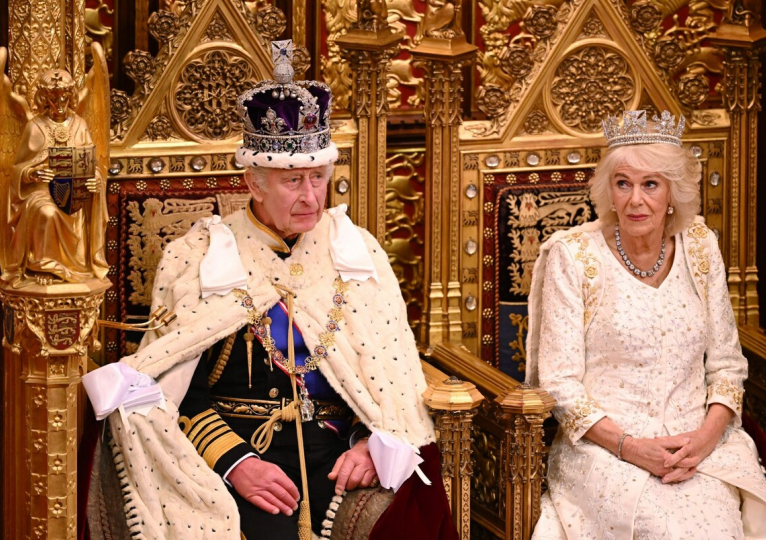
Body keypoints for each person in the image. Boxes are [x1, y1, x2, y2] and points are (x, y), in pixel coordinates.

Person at [82, 40, 457, 540]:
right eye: (292, 181)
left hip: (339, 454)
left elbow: (391, 377)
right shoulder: (196, 257)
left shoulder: (358, 253)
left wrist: (372, 441)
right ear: (254, 183)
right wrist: (237, 464)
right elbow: (171, 391)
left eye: (318, 178)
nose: (310, 197)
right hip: (233, 455)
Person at [525, 110, 766, 539]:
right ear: (608, 191)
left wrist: (704, 439)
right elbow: (560, 386)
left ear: (673, 193)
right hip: (604, 451)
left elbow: (726, 366)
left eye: (651, 184)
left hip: (700, 448)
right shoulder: (573, 257)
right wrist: (632, 447)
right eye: (623, 183)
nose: (635, 200)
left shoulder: (701, 247)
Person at [2, 69, 107, 287]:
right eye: (53, 97)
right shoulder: (35, 126)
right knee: (47, 212)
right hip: (41, 192)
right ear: (43, 98)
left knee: (73, 209)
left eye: (64, 97)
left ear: (71, 96)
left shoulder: (80, 124)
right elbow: (16, 170)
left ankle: (76, 266)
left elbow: (92, 164)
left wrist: (95, 179)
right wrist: (32, 173)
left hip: (74, 193)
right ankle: (44, 265)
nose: (59, 103)